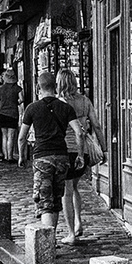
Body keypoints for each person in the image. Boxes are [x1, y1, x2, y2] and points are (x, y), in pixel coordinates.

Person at [20, 71, 79, 234]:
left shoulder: (32, 108)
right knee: (56, 200)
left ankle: (47, 243)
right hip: (62, 157)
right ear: (56, 87)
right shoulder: (66, 107)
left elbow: (21, 137)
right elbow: (79, 131)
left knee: (45, 201)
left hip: (42, 157)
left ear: (39, 87)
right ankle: (49, 238)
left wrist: (21, 156)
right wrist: (80, 154)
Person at [55, 68, 96, 244]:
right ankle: (78, 222)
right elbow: (97, 125)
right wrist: (104, 148)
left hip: (67, 150)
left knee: (66, 191)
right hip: (83, 150)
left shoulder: (60, 102)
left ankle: (71, 232)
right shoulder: (85, 100)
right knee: (75, 188)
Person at [0, 69, 22, 164]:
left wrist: (3, 104)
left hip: (2, 114)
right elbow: (22, 99)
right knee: (11, 136)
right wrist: (15, 102)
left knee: (4, 136)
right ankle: (10, 156)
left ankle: (5, 156)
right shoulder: (17, 88)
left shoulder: (1, 88)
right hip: (12, 114)